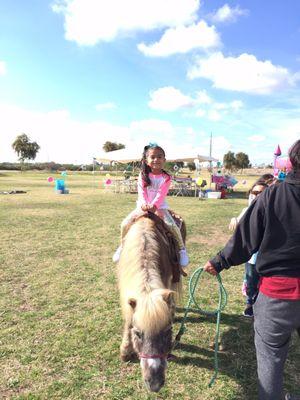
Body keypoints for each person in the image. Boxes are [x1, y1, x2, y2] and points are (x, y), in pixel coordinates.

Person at [204, 139, 300, 400]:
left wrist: (219, 261)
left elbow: (245, 239)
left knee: (270, 361)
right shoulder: (272, 193)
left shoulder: (272, 195)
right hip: (279, 293)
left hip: (277, 298)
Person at [113, 143, 189, 267]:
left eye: (159, 157)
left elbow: (161, 193)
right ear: (146, 160)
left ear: (164, 160)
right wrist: (144, 205)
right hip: (142, 207)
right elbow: (142, 192)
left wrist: (154, 206)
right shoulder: (143, 175)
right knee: (124, 224)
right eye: (152, 157)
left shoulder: (166, 177)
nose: (156, 160)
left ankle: (182, 250)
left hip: (160, 207)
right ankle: (122, 246)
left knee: (172, 226)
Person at [229, 176, 273, 317]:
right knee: (251, 280)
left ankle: (261, 305)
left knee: (265, 282)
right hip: (252, 257)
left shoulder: (272, 211)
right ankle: (250, 302)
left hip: (268, 256)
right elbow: (240, 222)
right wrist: (234, 219)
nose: (256, 196)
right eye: (254, 193)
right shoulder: (246, 210)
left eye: (261, 193)